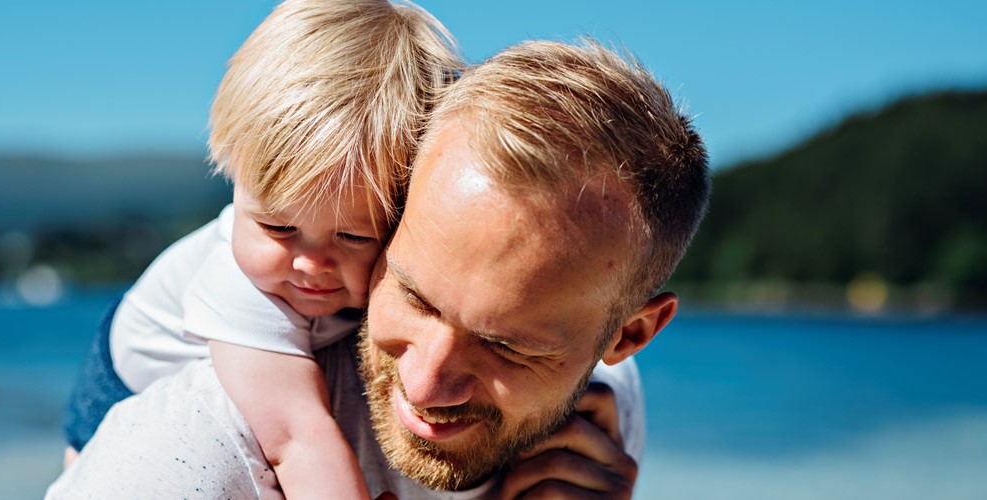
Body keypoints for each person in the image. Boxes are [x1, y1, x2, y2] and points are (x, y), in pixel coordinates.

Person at [50, 38, 709, 499]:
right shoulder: (195, 453)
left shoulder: (599, 433)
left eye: (505, 344)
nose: (424, 385)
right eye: (416, 297)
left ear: (627, 337)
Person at [59, 1, 459, 498]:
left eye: (354, 237)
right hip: (121, 379)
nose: (311, 262)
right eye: (276, 226)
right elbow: (295, 436)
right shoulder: (236, 286)